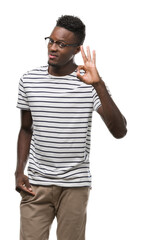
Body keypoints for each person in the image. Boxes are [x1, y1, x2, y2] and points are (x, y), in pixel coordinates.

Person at [15, 15, 127, 240]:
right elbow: (26, 129)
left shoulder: (88, 83)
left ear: (76, 50)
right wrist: (19, 171)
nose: (53, 48)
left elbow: (120, 131)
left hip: (75, 186)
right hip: (36, 185)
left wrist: (98, 84)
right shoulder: (28, 80)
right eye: (51, 40)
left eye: (62, 44)